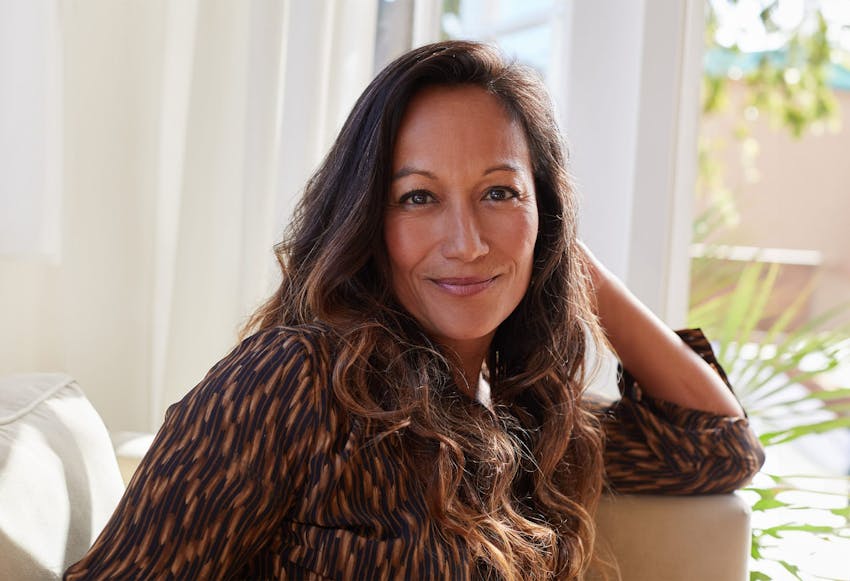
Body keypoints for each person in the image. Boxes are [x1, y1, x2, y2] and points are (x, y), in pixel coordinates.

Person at [65, 40, 764, 580]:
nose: (465, 243)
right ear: (369, 219)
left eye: (498, 193)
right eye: (418, 197)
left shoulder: (527, 419)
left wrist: (556, 248)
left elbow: (715, 440)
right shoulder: (295, 379)